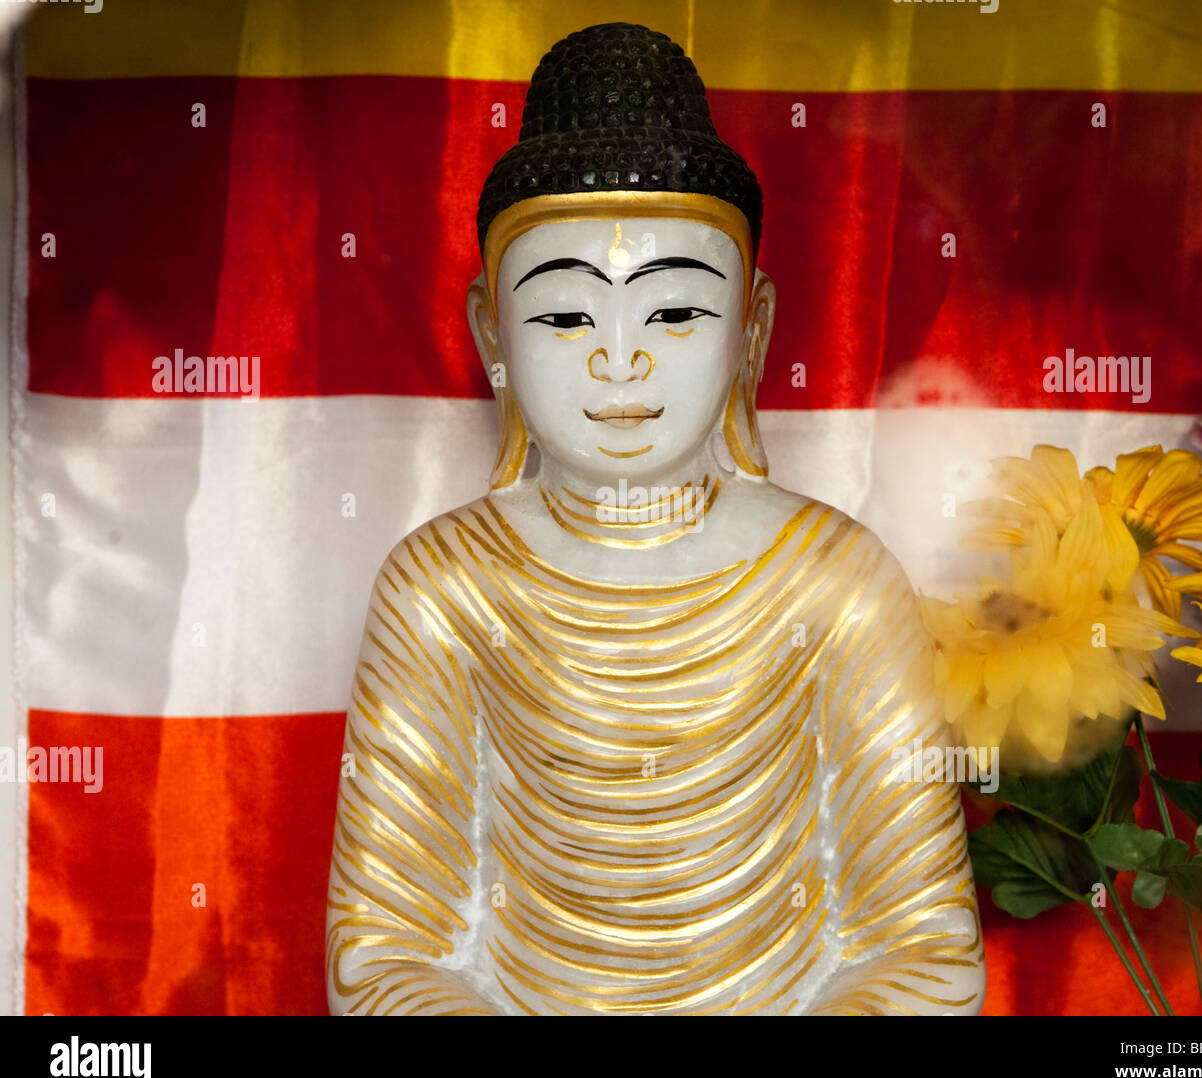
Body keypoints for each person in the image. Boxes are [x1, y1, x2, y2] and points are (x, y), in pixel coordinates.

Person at [326, 22, 984, 1016]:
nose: (620, 359)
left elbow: (927, 953)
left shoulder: (837, 579)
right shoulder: (441, 585)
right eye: (562, 316)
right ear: (489, 333)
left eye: (674, 312)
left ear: (750, 328)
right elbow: (380, 956)